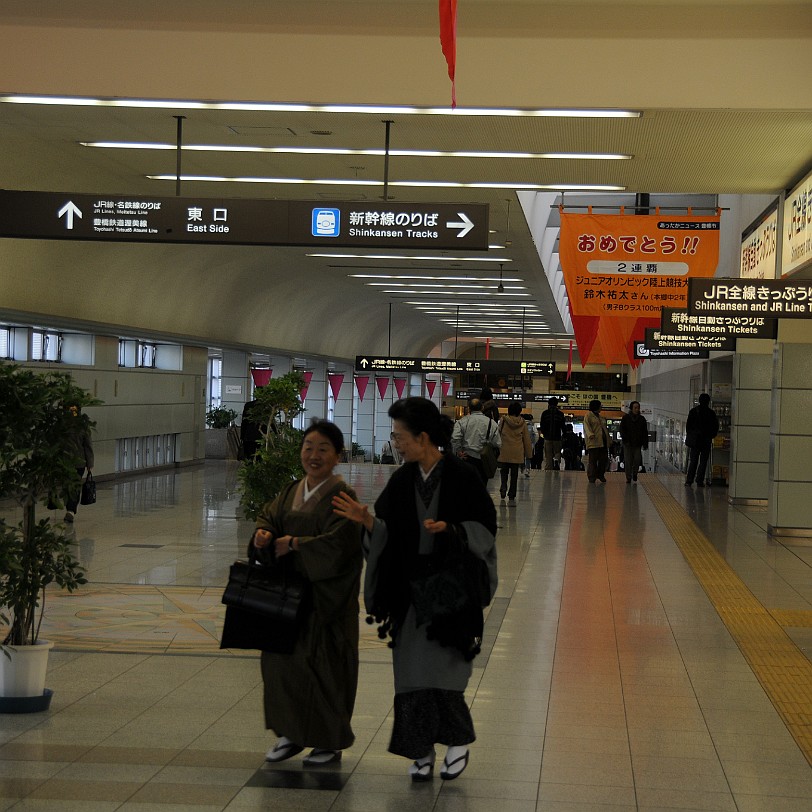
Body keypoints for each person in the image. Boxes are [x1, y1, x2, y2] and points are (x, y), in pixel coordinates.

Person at [332, 397, 498, 783]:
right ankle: (420, 749)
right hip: (408, 593)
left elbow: (485, 529)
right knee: (409, 675)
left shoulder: (462, 476)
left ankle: (457, 742)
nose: (397, 443)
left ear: (422, 437)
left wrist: (454, 532)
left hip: (449, 592)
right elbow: (388, 531)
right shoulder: (402, 480)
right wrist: (369, 523)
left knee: (444, 672)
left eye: (400, 436)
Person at [251, 420, 363, 767]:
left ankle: (327, 741)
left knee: (324, 669)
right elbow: (268, 517)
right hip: (288, 598)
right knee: (281, 666)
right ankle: (291, 733)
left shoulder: (344, 497)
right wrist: (264, 534)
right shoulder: (289, 490)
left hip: (325, 603)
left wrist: (297, 545)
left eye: (323, 449)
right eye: (308, 447)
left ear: (338, 456)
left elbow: (342, 545)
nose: (313, 456)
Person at [451, 397, 501, 483]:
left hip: (467, 458)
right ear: (482, 408)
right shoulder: (491, 423)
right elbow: (498, 443)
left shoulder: (462, 421)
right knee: (482, 485)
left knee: (467, 486)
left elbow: (455, 437)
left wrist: (459, 451)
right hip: (484, 460)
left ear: (469, 408)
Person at [64, 403, 94, 523]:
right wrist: (90, 463)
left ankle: (70, 509)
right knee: (73, 486)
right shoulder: (83, 426)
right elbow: (88, 445)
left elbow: (87, 445)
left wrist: (89, 463)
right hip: (78, 462)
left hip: (69, 462)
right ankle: (70, 509)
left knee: (70, 485)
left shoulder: (63, 426)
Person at [498, 401, 532, 504]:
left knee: (504, 472)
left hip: (504, 450)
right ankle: (512, 494)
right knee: (514, 475)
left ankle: (503, 486)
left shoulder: (503, 420)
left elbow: (498, 433)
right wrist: (529, 454)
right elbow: (526, 439)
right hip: (517, 452)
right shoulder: (522, 422)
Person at [684, 393, 719, 487]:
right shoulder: (711, 413)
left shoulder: (693, 411)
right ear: (708, 401)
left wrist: (692, 435)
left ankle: (689, 480)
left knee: (693, 461)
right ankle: (699, 480)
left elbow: (688, 426)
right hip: (706, 441)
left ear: (699, 401)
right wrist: (711, 436)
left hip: (695, 441)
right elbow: (715, 427)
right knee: (703, 461)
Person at [619, 401, 648, 484]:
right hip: (627, 443)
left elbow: (644, 432)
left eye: (638, 407)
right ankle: (628, 477)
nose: (637, 409)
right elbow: (622, 430)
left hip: (637, 443)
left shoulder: (642, 419)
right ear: (631, 408)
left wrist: (645, 443)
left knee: (637, 459)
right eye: (635, 408)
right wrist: (625, 439)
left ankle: (634, 473)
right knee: (628, 461)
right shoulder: (626, 418)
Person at [584, 399, 610, 484]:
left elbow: (605, 429)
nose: (601, 407)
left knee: (603, 460)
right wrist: (590, 434)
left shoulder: (601, 417)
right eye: (600, 406)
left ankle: (601, 474)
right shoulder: (588, 416)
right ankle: (592, 476)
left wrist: (609, 439)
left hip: (603, 442)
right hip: (593, 442)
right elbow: (586, 427)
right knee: (593, 461)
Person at [539, 396, 566, 470]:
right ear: (557, 404)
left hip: (547, 438)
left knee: (548, 455)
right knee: (557, 452)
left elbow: (542, 425)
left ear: (549, 404)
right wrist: (564, 435)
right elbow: (563, 426)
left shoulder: (545, 413)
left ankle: (549, 468)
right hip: (557, 438)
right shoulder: (560, 414)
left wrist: (544, 434)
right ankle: (557, 462)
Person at [240, 396, 264, 461]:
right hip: (262, 435)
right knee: (260, 457)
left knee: (249, 457)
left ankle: (250, 468)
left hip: (249, 435)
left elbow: (244, 422)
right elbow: (271, 422)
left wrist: (242, 436)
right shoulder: (266, 406)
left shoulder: (248, 405)